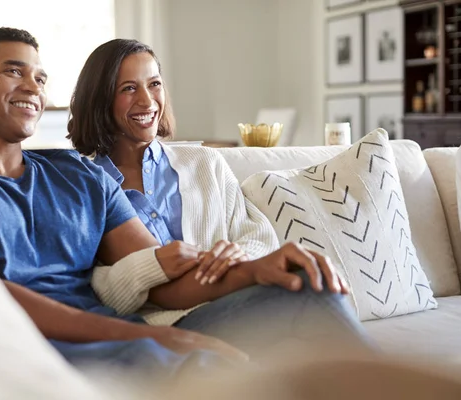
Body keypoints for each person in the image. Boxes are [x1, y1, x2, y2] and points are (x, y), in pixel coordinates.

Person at [0, 27, 361, 379]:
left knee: (306, 287)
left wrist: (257, 268)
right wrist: (153, 336)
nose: (33, 87)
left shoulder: (79, 175)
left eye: (40, 77)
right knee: (212, 373)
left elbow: (160, 280)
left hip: (128, 333)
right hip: (38, 342)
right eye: (13, 71)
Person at [67, 38, 372, 356]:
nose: (147, 101)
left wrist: (236, 254)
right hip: (165, 327)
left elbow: (257, 237)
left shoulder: (204, 162)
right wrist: (155, 266)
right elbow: (101, 285)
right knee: (308, 289)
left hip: (239, 301)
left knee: (311, 284)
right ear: (101, 99)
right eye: (128, 88)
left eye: (154, 84)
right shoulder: (85, 184)